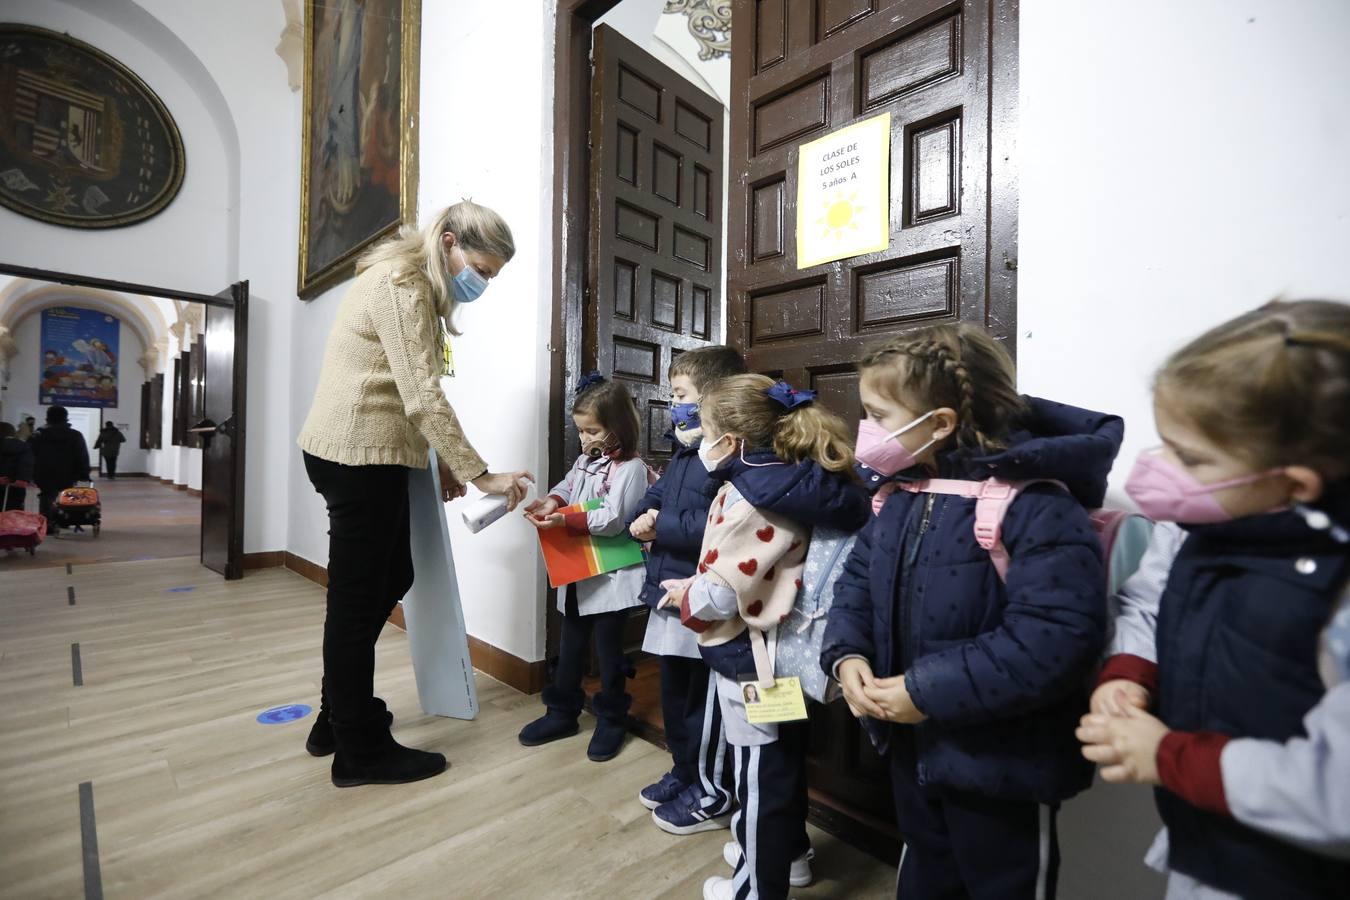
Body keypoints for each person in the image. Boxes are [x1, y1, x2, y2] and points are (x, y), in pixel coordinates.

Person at [820, 323, 1118, 900]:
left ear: (940, 424)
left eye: (879, 415)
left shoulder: (1035, 506)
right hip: (914, 755)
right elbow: (856, 583)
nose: (867, 431)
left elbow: (1053, 639)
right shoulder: (898, 497)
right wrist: (846, 654)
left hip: (1000, 769)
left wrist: (924, 691)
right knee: (926, 875)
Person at [1074, 300, 1350, 899]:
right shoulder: (1199, 525)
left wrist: (1170, 756)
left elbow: (1339, 792)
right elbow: (1149, 598)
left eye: (1191, 458)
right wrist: (1127, 673)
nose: (1158, 468)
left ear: (1295, 483)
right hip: (1206, 846)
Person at [298, 201, 532, 788]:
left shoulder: (415, 284)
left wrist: (444, 467)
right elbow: (422, 394)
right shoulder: (402, 284)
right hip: (357, 456)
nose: (482, 282)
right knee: (357, 602)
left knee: (384, 578)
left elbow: (405, 394)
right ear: (448, 242)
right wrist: (480, 474)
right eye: (481, 267)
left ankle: (335, 717)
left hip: (365, 452)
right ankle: (359, 750)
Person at [662, 374, 870, 900]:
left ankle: (755, 887)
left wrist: (686, 595)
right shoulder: (793, 478)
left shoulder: (751, 496)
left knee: (759, 780)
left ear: (730, 442)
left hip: (752, 663)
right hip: (782, 655)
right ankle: (789, 853)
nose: (698, 439)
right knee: (780, 765)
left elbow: (723, 593)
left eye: (704, 429)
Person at [627, 345, 746, 836]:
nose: (672, 403)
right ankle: (683, 771)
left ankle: (709, 786)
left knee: (702, 703)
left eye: (680, 395)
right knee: (674, 694)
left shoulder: (727, 458)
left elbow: (723, 526)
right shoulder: (682, 451)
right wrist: (648, 511)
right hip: (669, 594)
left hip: (703, 597)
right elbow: (660, 495)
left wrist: (666, 525)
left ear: (713, 400)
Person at [518, 376, 649, 762]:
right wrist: (551, 501)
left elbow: (613, 520)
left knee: (609, 653)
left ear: (618, 426)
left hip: (612, 579)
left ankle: (611, 718)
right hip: (576, 574)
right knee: (570, 647)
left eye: (592, 430)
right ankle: (562, 712)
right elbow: (569, 483)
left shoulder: (632, 470)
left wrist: (563, 521)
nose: (584, 438)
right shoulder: (584, 461)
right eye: (580, 430)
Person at [28, 406, 91, 535]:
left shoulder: (37, 435)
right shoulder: (75, 435)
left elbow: (29, 454)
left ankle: (47, 525)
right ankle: (64, 520)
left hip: (43, 472)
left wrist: (29, 473)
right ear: (66, 418)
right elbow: (82, 455)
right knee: (67, 496)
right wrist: (84, 472)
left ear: (47, 418)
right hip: (68, 472)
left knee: (46, 496)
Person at [0, 422, 35, 510]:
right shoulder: (23, 446)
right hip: (14, 488)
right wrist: (22, 478)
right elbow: (26, 464)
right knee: (11, 514)